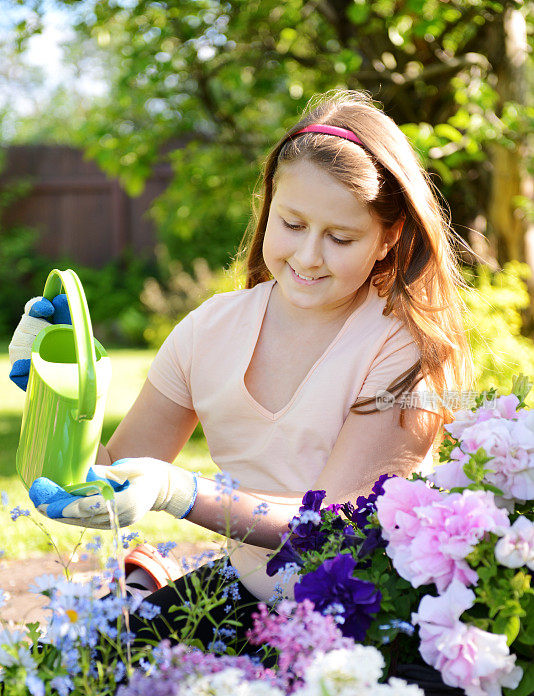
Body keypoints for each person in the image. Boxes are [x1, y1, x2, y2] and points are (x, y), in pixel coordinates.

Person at [9, 90, 473, 650]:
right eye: (292, 224)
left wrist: (180, 493)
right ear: (268, 206)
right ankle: (143, 581)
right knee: (74, 676)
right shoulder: (211, 329)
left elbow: (336, 529)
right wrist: (59, 389)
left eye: (340, 238)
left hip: (370, 616)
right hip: (247, 593)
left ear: (388, 238)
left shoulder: (403, 346)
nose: (307, 256)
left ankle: (140, 582)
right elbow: (105, 479)